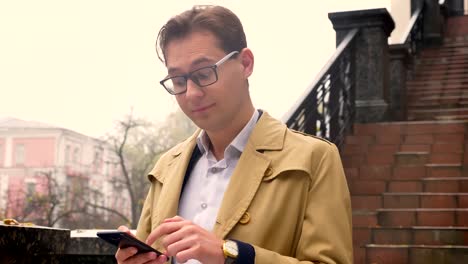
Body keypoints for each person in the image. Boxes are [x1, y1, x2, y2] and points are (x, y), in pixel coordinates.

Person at [115, 5, 352, 264]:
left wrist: (231, 253)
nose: (191, 93)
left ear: (246, 63)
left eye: (204, 73)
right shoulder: (166, 167)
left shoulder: (314, 158)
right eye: (179, 81)